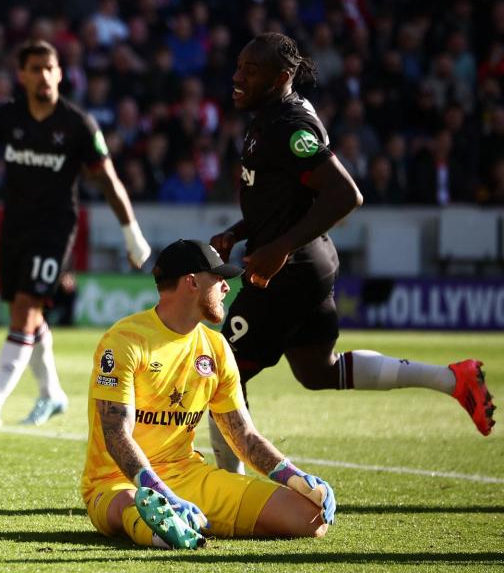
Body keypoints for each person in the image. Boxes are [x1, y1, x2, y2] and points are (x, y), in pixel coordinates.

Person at [208, 33, 495, 475]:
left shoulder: (289, 126)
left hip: (291, 268)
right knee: (316, 370)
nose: (237, 76)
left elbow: (346, 194)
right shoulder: (269, 115)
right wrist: (238, 230)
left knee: (221, 370)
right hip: (308, 261)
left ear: (282, 76)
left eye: (249, 70)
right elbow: (285, 198)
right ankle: (452, 379)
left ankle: (230, 489)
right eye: (239, 66)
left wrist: (280, 247)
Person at [82, 239, 336, 550]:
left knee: (309, 519)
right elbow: (116, 434)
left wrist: (294, 477)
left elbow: (243, 436)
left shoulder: (216, 347)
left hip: (187, 475)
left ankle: (177, 523)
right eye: (218, 279)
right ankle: (158, 527)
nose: (226, 288)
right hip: (120, 481)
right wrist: (158, 489)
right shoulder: (125, 341)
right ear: (191, 282)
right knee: (133, 507)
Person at [0, 40, 151, 429]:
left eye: (50, 68)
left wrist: (131, 233)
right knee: (28, 312)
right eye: (36, 68)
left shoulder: (78, 125)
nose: (44, 75)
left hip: (54, 230)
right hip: (14, 227)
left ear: (60, 73)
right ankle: (52, 393)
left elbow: (108, 180)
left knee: (24, 310)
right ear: (22, 75)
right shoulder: (7, 117)